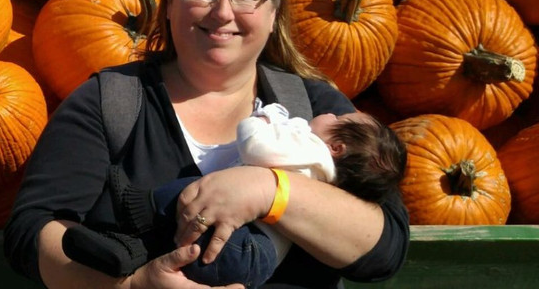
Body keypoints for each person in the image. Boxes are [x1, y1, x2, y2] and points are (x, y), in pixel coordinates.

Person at [4, 0, 410, 289]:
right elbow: (33, 231)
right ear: (170, 3)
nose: (222, 12)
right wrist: (131, 288)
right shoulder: (109, 102)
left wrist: (271, 192)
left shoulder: (314, 105)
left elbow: (384, 248)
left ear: (273, 14)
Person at [63, 102, 407, 286]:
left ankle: (134, 208)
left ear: (336, 147)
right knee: (178, 233)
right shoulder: (329, 170)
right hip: (251, 260)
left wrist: (264, 116)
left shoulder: (310, 152)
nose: (331, 110)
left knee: (195, 193)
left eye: (339, 116)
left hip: (245, 249)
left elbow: (257, 147)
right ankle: (128, 253)